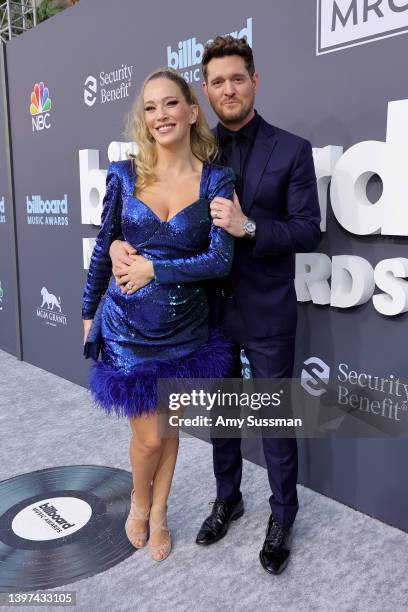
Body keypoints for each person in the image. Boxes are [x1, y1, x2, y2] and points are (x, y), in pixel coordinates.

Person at [109, 36, 321, 574]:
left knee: (274, 421)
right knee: (222, 419)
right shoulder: (195, 153)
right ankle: (227, 499)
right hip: (205, 315)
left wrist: (249, 227)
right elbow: (147, 216)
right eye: (218, 81)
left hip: (267, 310)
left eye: (237, 78)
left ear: (255, 81)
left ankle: (282, 517)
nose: (229, 88)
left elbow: (307, 231)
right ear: (204, 91)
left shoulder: (292, 149)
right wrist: (114, 242)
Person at [81, 66, 236, 562]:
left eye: (170, 104)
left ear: (192, 112)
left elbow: (219, 260)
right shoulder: (124, 175)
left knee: (169, 428)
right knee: (148, 436)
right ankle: (138, 502)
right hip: (128, 328)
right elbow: (105, 245)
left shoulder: (216, 178)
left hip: (186, 330)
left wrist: (154, 267)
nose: (160, 115)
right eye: (150, 108)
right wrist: (89, 311)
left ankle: (161, 512)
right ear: (143, 120)